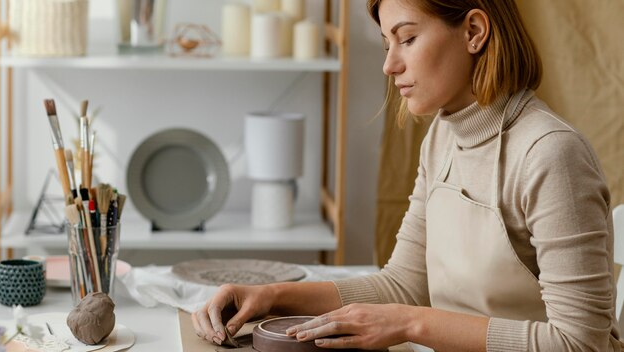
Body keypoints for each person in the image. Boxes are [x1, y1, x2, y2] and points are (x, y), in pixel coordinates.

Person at [192, 0, 621, 350]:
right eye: (386, 44)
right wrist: (273, 297)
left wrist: (413, 325)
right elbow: (404, 285)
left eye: (408, 39)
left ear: (474, 31)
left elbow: (580, 343)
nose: (389, 65)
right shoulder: (442, 137)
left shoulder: (551, 154)